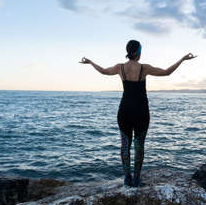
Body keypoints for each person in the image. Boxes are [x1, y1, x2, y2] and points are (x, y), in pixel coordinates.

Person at [80, 40, 196, 187]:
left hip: (124, 111)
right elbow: (167, 72)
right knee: (139, 146)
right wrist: (183, 59)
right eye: (141, 51)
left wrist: (90, 62)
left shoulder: (119, 68)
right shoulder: (144, 68)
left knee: (125, 145)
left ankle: (127, 178)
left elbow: (103, 71)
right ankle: (136, 179)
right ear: (138, 52)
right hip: (141, 111)